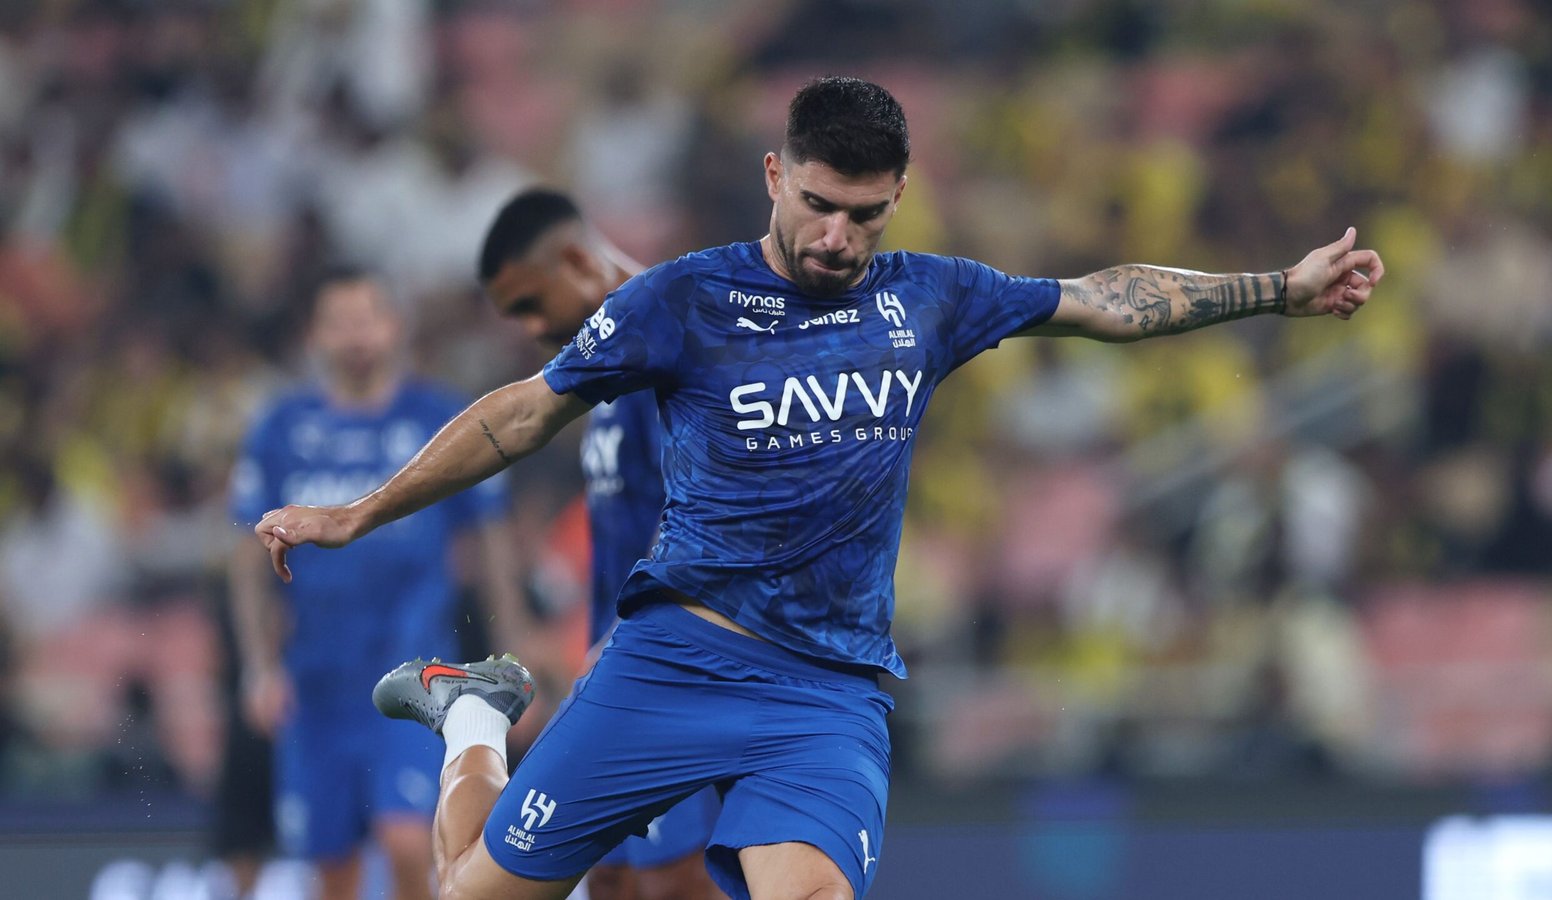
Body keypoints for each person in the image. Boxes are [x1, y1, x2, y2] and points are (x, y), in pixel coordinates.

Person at [254, 76, 1384, 900]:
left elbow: (1103, 298)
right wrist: (358, 513)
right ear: (774, 176)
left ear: (897, 199)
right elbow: (519, 413)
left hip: (826, 693)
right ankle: (470, 720)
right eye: (819, 205)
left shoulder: (931, 298)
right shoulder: (682, 302)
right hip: (673, 665)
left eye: (868, 213)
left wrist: (1276, 290)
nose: (839, 236)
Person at [228, 269, 535, 900]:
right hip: (315, 683)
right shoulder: (281, 427)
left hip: (414, 674)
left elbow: (492, 543)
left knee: (405, 843)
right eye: (338, 322)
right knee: (332, 868)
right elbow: (245, 556)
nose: (355, 336)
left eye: (367, 318)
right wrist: (259, 665)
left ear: (395, 326)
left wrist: (515, 649)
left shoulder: (441, 418)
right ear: (314, 334)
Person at [477, 187, 726, 900]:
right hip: (612, 678)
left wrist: (623, 639)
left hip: (673, 673)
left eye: (530, 303)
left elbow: (701, 517)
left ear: (576, 262)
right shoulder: (607, 370)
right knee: (607, 880)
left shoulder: (676, 341)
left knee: (677, 884)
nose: (529, 329)